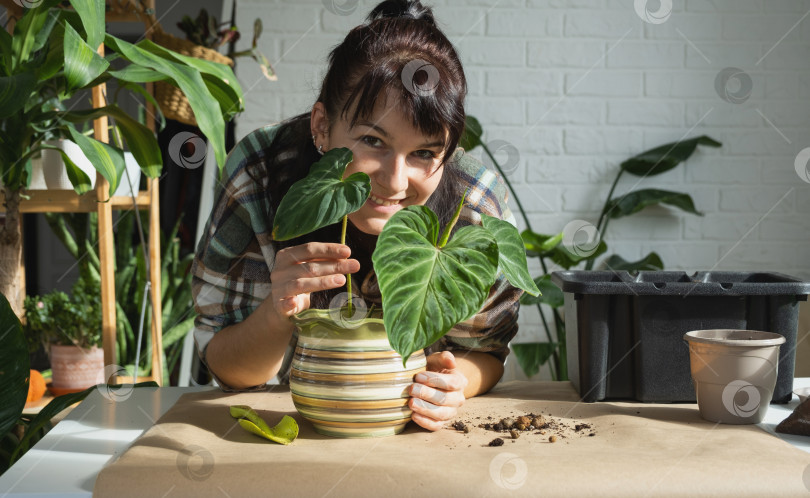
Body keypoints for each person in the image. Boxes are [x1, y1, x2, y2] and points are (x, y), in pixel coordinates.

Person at [191, 0, 522, 432]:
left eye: (424, 153)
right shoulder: (261, 171)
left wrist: (454, 381)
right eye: (373, 141)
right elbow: (225, 366)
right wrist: (277, 312)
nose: (395, 181)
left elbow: (488, 354)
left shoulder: (474, 206)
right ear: (322, 127)